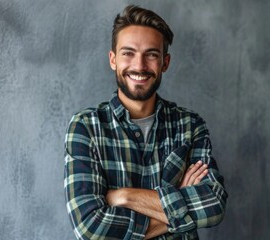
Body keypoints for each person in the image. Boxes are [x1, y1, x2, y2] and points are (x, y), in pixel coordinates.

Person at [64, 5, 227, 239]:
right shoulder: (86, 127)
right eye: (128, 53)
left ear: (165, 62)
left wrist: (125, 196)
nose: (139, 66)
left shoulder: (190, 125)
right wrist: (180, 199)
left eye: (151, 54)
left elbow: (214, 205)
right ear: (113, 60)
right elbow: (90, 227)